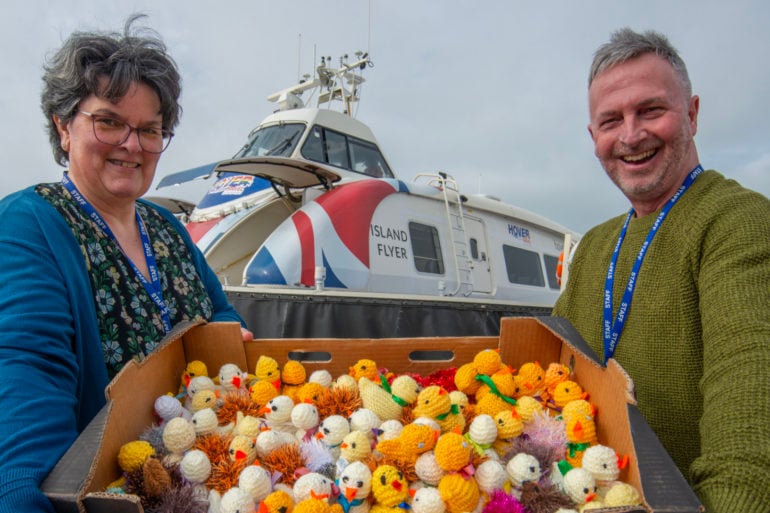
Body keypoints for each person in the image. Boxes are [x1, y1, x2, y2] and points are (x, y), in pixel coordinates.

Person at [0, 15, 253, 511]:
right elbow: (26, 376)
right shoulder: (28, 225)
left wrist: (231, 339)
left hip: (217, 473)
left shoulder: (166, 227)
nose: (132, 144)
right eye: (109, 121)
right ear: (63, 126)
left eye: (149, 129)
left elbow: (220, 314)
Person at [552, 28, 770, 512]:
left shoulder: (739, 222)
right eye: (611, 120)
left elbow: (751, 413)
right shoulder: (594, 246)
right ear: (594, 138)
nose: (631, 135)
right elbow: (549, 368)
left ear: (691, 113)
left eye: (650, 110)